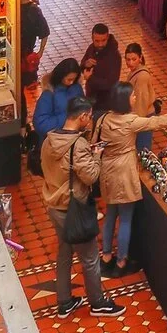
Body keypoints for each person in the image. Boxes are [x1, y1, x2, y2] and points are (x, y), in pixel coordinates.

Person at [97, 82, 167, 276]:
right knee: (126, 218)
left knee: (111, 214)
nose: (135, 97)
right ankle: (121, 262)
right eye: (133, 95)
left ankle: (106, 256)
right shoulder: (130, 121)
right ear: (125, 99)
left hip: (107, 170)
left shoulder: (105, 118)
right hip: (124, 172)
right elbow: (161, 122)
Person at [40, 94, 125, 320]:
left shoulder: (49, 140)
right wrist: (96, 156)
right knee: (90, 257)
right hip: (73, 208)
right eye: (89, 117)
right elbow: (90, 176)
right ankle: (98, 302)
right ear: (84, 116)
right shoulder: (77, 145)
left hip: (53, 204)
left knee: (65, 253)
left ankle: (64, 301)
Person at [33, 57, 83, 141]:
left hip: (75, 139)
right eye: (69, 79)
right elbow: (41, 124)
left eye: (74, 79)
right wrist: (70, 118)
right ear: (61, 76)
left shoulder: (76, 87)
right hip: (55, 143)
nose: (71, 82)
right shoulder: (49, 94)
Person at [19, 0, 50, 120]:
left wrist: (40, 53)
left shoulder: (33, 10)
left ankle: (24, 120)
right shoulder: (15, 6)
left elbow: (44, 32)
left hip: (25, 58)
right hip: (20, 57)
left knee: (23, 91)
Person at [123, 43, 157, 153]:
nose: (130, 63)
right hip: (141, 116)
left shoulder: (141, 76)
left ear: (140, 58)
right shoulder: (135, 72)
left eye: (134, 59)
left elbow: (141, 103)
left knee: (142, 152)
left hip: (143, 117)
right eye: (128, 59)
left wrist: (137, 124)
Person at [81, 24, 122, 114]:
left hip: (106, 101)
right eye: (97, 41)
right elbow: (82, 66)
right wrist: (85, 64)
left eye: (103, 41)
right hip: (92, 96)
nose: (100, 44)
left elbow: (111, 83)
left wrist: (90, 78)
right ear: (92, 38)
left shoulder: (115, 56)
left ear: (107, 37)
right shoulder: (91, 48)